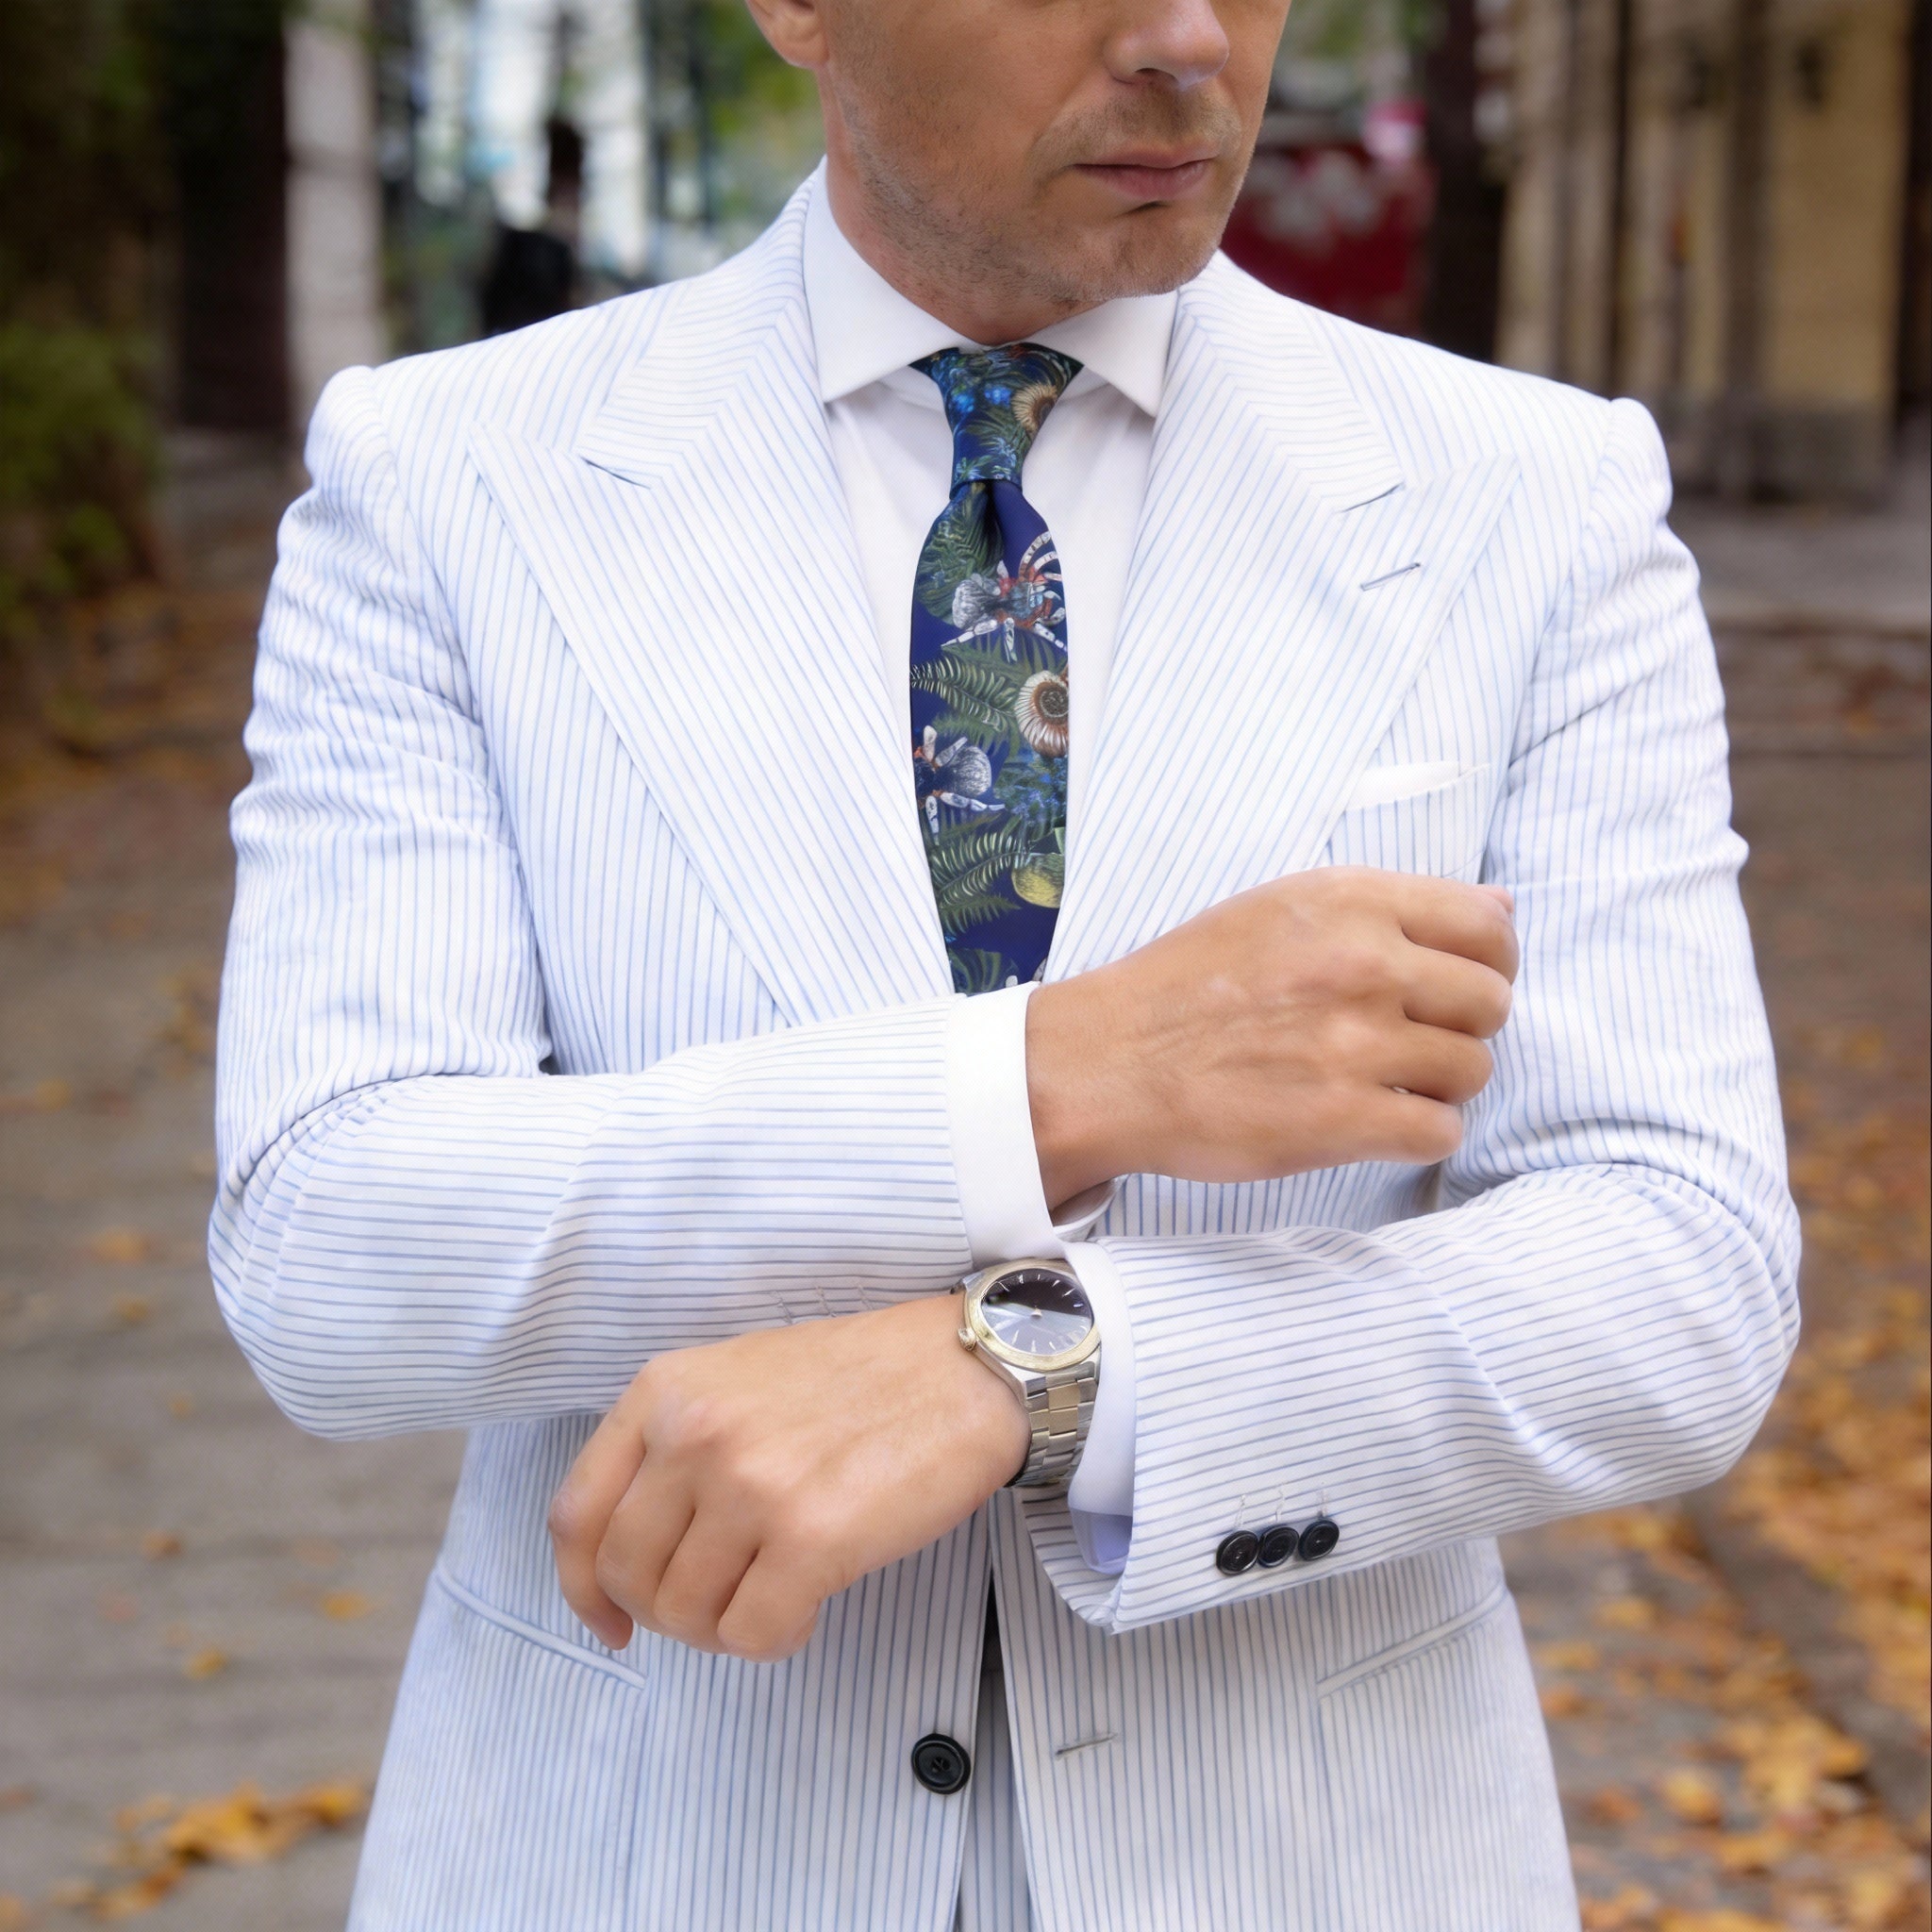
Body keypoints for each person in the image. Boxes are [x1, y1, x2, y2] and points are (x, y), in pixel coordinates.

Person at [209, 0, 1798, 1925]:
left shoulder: (1532, 499)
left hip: (1312, 1858)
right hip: (642, 1848)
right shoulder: (448, 480)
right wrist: (1053, 1081)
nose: (1187, 36)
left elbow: (1675, 1274)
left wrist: (1040, 1373)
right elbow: (330, 1239)